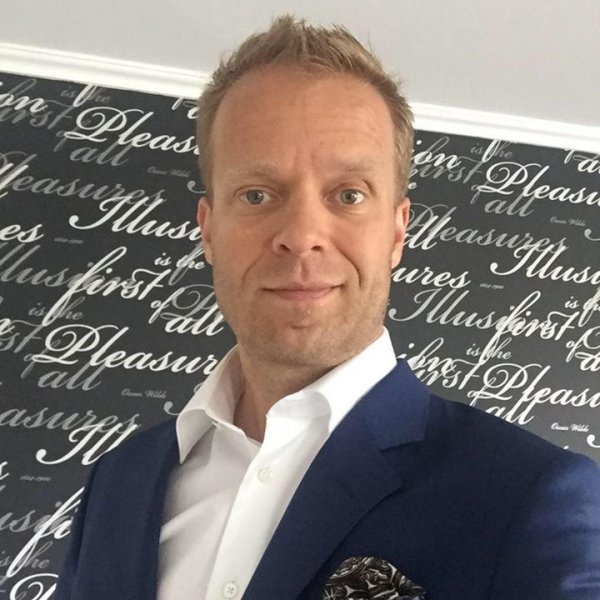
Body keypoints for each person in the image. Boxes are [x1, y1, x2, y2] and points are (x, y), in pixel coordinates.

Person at [55, 15, 600, 600]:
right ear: (209, 230)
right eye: (257, 194)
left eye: (348, 194)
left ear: (397, 232)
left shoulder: (530, 495)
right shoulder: (119, 481)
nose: (301, 235)